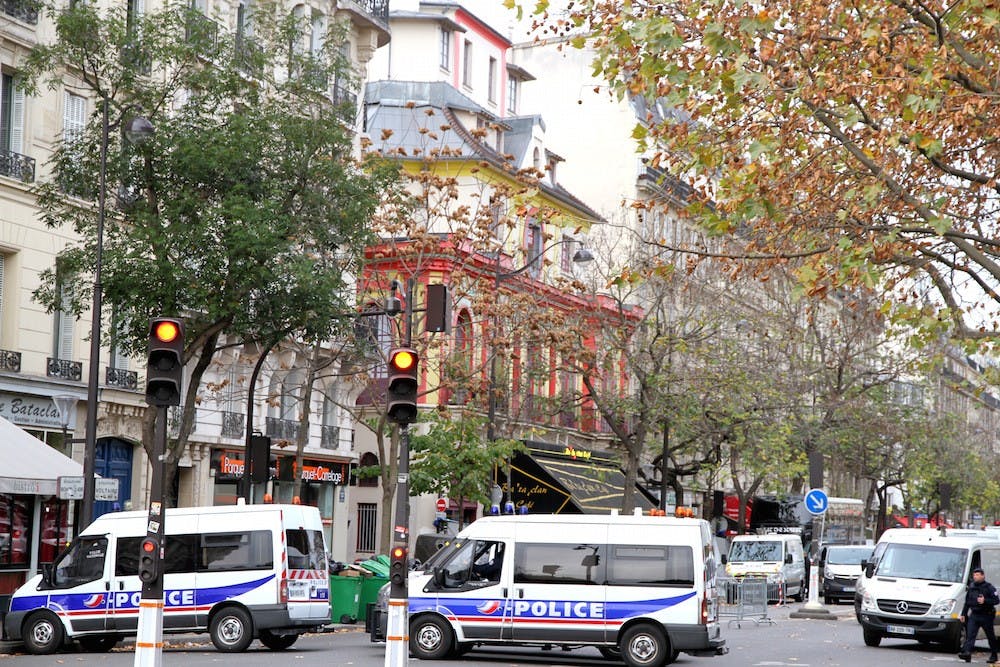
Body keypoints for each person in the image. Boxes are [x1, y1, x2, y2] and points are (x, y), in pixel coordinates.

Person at [959, 567, 999, 663]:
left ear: (983, 576)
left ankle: (994, 655)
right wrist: (963, 614)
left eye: (977, 575)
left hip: (986, 615)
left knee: (990, 636)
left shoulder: (989, 587)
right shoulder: (972, 587)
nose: (975, 577)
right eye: (974, 575)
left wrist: (985, 601)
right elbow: (967, 602)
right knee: (970, 634)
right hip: (975, 615)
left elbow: (996, 600)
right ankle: (967, 653)